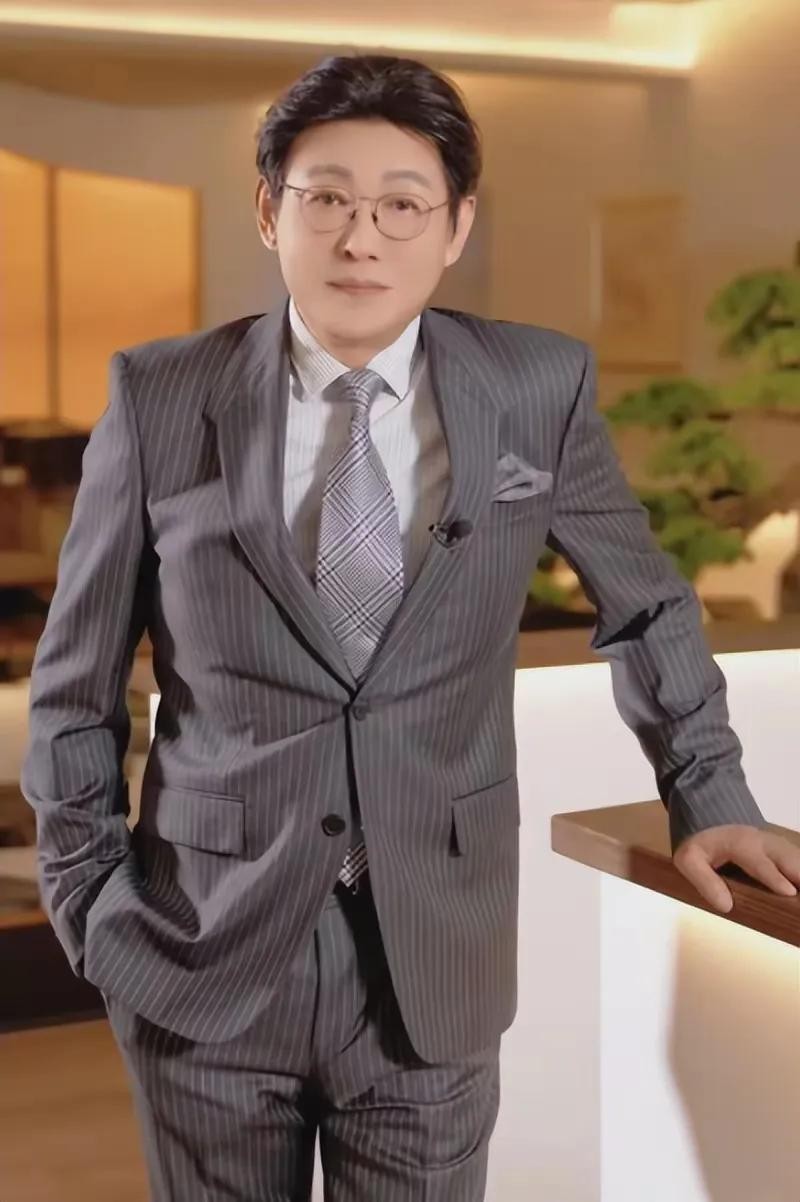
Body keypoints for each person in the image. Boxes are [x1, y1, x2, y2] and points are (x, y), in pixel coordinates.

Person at [21, 53, 800, 1202]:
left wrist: (710, 791)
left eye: (400, 205)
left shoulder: (533, 386)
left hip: (431, 954)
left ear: (454, 226)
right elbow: (72, 688)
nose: (359, 239)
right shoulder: (160, 394)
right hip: (199, 947)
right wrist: (92, 910)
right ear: (268, 210)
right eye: (325, 198)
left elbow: (645, 604)